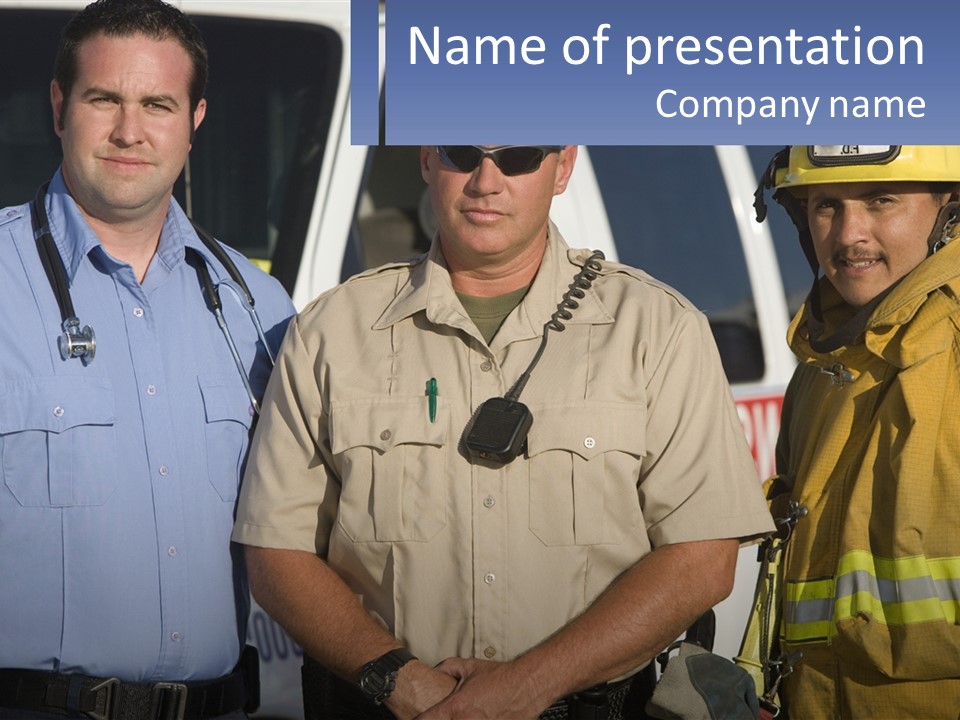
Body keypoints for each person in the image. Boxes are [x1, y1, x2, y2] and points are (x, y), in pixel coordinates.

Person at [233, 144, 773, 719]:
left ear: (562, 166)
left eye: (517, 157)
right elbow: (276, 551)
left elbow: (702, 559)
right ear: (425, 160)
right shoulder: (328, 331)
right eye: (462, 154)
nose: (485, 182)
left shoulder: (659, 329)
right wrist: (404, 683)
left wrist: (526, 686)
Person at [0, 1, 294, 718]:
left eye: (157, 104)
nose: (130, 131)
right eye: (105, 99)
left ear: (194, 121)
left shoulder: (259, 307)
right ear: (60, 104)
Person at [753, 145, 960, 718]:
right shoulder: (822, 367)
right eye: (825, 206)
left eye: (881, 200)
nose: (849, 236)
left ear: (951, 205)